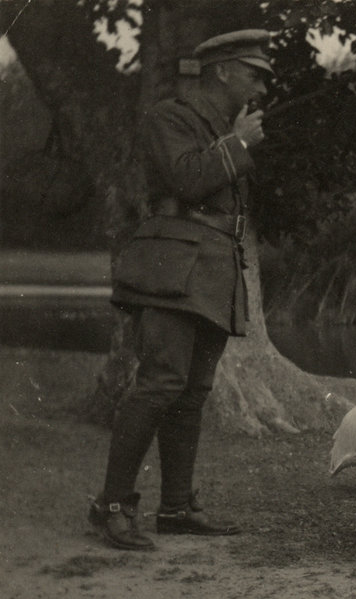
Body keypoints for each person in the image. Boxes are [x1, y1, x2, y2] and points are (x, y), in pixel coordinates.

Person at [87, 29, 274, 550]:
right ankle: (113, 506)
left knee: (191, 393)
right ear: (221, 71)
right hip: (172, 265)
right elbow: (187, 181)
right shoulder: (171, 117)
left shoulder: (223, 126)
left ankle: (175, 508)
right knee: (160, 384)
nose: (260, 86)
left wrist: (235, 141)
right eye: (253, 73)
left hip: (211, 271)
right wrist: (237, 146)